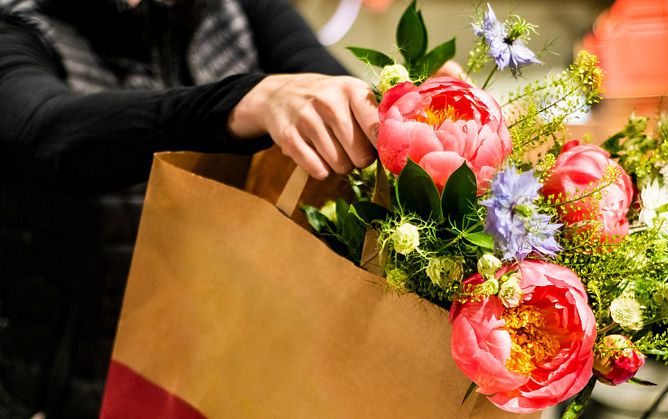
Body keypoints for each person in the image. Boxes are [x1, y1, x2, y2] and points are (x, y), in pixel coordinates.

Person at [0, 0, 386, 417]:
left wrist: (404, 113)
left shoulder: (236, 11)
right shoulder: (21, 25)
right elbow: (48, 132)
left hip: (215, 370)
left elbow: (327, 83)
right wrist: (245, 100)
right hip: (62, 386)